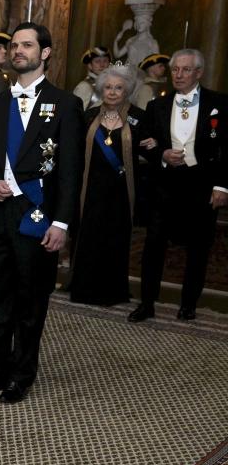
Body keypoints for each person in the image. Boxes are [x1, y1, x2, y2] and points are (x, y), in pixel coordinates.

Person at [0, 22, 83, 404]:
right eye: (14, 45)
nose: (18, 51)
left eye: (27, 45)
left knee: (31, 300)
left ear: (44, 53)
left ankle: (21, 374)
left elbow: (70, 169)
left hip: (38, 214)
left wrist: (61, 222)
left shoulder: (66, 104)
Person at [128, 49, 228, 323]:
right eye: (175, 70)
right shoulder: (157, 105)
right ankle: (146, 303)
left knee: (199, 248)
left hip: (202, 185)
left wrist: (222, 186)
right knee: (153, 246)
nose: (178, 75)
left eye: (185, 70)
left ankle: (188, 305)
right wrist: (161, 153)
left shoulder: (219, 103)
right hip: (165, 185)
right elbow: (143, 140)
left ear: (198, 73)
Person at [69, 62, 153, 306]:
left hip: (121, 191)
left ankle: (112, 292)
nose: (113, 92)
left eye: (118, 87)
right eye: (108, 87)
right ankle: (82, 289)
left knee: (115, 239)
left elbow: (150, 148)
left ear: (126, 90)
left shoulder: (139, 118)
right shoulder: (89, 116)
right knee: (88, 238)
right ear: (101, 90)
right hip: (91, 189)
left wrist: (154, 146)